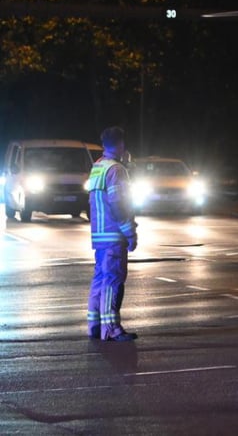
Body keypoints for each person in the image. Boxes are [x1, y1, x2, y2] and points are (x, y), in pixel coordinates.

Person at [85, 126, 138, 341]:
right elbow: (118, 205)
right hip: (113, 234)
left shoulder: (97, 167)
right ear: (120, 145)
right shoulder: (117, 170)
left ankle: (94, 325)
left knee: (100, 279)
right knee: (113, 281)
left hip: (99, 235)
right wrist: (130, 233)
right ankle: (112, 329)